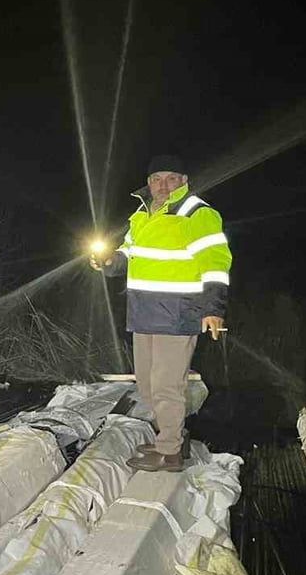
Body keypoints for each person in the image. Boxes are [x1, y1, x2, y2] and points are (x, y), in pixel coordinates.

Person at [91, 154, 232, 472]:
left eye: (171, 178)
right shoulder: (142, 214)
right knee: (146, 384)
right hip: (143, 312)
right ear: (148, 182)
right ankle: (174, 436)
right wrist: (111, 261)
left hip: (178, 312)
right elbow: (130, 252)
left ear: (183, 180)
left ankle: (169, 451)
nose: (162, 185)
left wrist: (213, 309)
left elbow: (215, 261)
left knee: (167, 384)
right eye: (156, 178)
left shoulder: (197, 213)